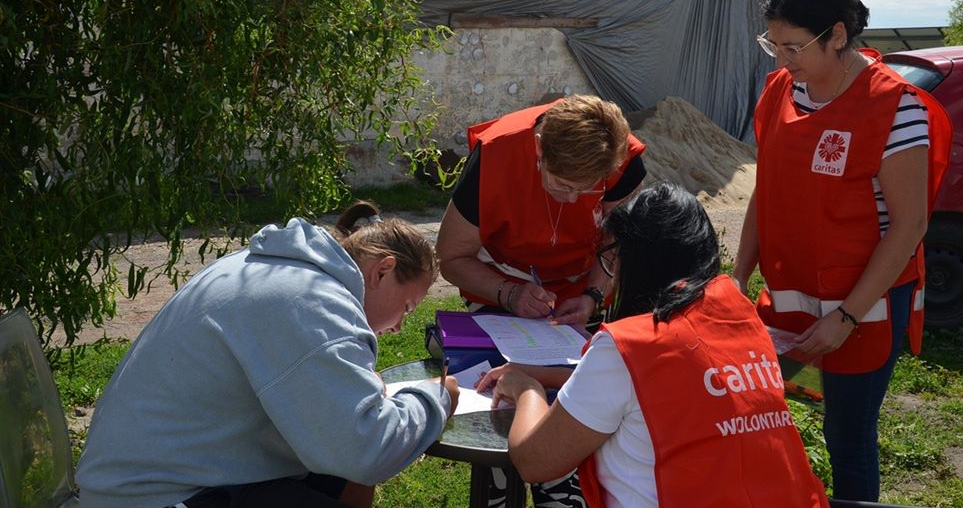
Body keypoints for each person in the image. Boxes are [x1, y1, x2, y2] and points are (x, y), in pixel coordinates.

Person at [75, 202, 459, 508]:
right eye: (407, 308)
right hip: (159, 496)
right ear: (383, 271)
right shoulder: (314, 301)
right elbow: (366, 452)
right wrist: (437, 397)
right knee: (347, 468)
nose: (398, 327)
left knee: (338, 477)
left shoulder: (281, 271)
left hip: (143, 481)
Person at [732, 0, 952, 501]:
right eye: (772, 44)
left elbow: (910, 225)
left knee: (848, 435)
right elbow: (768, 189)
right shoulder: (780, 91)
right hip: (792, 305)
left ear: (836, 35)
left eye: (793, 47)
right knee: (774, 412)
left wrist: (847, 316)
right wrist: (738, 276)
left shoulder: (895, 107)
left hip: (864, 310)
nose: (781, 60)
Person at [478, 182, 830, 508]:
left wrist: (526, 388)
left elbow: (536, 461)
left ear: (638, 261)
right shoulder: (742, 321)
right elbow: (663, 389)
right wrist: (547, 375)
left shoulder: (629, 344)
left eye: (613, 259)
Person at [437, 94, 647, 326]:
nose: (572, 199)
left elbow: (618, 243)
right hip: (501, 281)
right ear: (538, 147)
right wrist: (509, 294)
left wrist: (593, 296)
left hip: (587, 284)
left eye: (586, 188)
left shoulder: (621, 156)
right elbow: (451, 258)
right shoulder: (496, 154)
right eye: (562, 184)